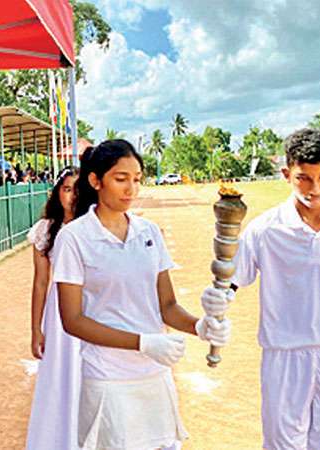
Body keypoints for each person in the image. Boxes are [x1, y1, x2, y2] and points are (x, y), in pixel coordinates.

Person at [52, 140, 231, 450]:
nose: (131, 189)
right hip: (108, 377)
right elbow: (73, 320)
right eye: (120, 179)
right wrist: (144, 342)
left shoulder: (148, 232)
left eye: (136, 179)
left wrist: (200, 326)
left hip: (155, 374)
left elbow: (168, 306)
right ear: (95, 181)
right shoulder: (74, 238)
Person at [214, 128, 320, 449]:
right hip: (284, 356)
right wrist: (218, 299)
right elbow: (231, 281)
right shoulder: (264, 230)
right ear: (286, 173)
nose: (314, 188)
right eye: (303, 178)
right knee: (282, 445)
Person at [25, 166, 82, 450]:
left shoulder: (93, 225)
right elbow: (40, 283)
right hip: (59, 316)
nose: (72, 196)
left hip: (90, 310)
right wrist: (36, 329)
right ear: (57, 192)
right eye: (66, 189)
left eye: (77, 189)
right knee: (61, 377)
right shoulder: (46, 230)